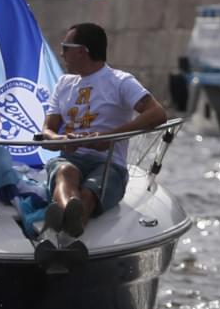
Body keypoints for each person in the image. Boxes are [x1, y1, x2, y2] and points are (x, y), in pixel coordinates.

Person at [40, 23, 168, 238]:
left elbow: (157, 113)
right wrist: (61, 139)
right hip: (69, 158)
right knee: (65, 171)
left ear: (82, 51)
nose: (61, 54)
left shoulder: (121, 82)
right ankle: (69, 217)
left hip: (109, 163)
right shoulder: (63, 84)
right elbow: (47, 130)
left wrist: (108, 138)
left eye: (65, 48)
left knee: (90, 192)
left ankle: (63, 224)